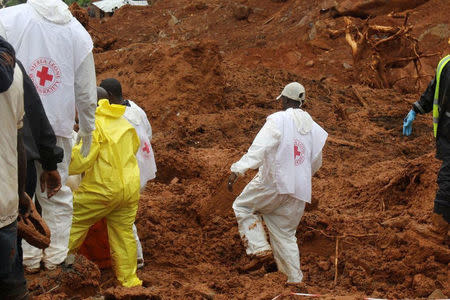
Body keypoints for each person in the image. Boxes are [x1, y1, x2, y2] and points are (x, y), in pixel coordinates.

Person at [0, 0, 97, 272]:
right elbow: (88, 95)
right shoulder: (78, 34)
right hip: (59, 128)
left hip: (17, 125)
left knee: (20, 192)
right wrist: (88, 131)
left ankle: (28, 260)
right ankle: (54, 258)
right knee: (58, 194)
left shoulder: (8, 18)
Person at [228, 82, 328, 287]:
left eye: (281, 99)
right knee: (285, 234)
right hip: (299, 190)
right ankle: (294, 282)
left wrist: (239, 168)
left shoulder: (278, 120)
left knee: (243, 206)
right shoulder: (315, 129)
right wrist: (298, 176)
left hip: (273, 181)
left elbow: (260, 147)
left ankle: (258, 249)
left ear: (285, 99)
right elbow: (316, 162)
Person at [67, 99, 142, 287]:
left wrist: (58, 167)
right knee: (123, 235)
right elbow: (134, 149)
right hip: (129, 189)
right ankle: (129, 281)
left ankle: (57, 268)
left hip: (103, 189)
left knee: (71, 221)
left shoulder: (93, 126)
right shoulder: (123, 122)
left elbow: (82, 160)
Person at [403, 54, 450, 244]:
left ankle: (438, 230)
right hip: (447, 132)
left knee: (447, 180)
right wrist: (416, 109)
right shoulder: (445, 63)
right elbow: (434, 89)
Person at [0, 36, 30, 300]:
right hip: (4, 203)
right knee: (11, 286)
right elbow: (19, 142)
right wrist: (19, 193)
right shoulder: (15, 69)